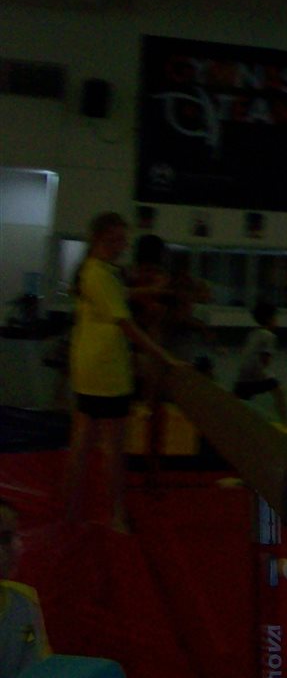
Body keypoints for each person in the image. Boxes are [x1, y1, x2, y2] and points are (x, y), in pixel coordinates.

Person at [63, 212, 174, 533]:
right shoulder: (99, 274)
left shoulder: (97, 270)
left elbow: (122, 296)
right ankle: (115, 515)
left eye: (124, 240)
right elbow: (127, 326)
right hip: (106, 374)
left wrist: (149, 291)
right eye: (116, 240)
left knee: (82, 443)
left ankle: (72, 512)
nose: (122, 246)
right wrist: (164, 356)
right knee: (111, 448)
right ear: (99, 239)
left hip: (89, 370)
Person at [0, 497, 50, 674]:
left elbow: (37, 667)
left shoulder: (24, 602)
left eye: (16, 536)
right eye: (4, 538)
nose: (17, 546)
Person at [233, 301, 287, 426]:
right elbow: (265, 359)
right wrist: (264, 374)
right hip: (255, 373)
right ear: (269, 319)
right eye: (275, 318)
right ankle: (286, 422)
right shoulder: (269, 336)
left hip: (243, 373)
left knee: (238, 400)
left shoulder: (253, 333)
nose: (277, 321)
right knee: (279, 390)